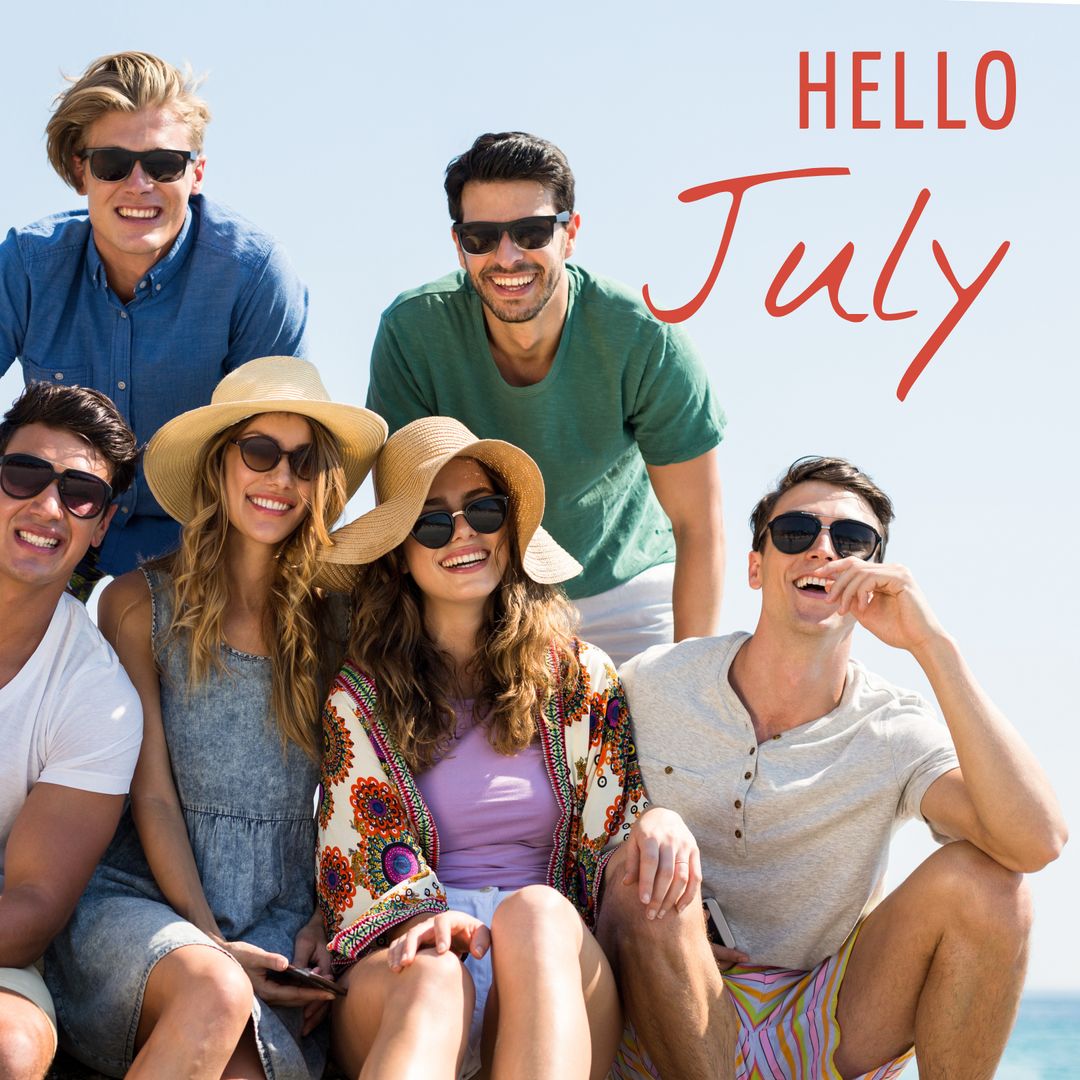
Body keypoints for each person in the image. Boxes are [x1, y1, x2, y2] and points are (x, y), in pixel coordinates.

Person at [599, 455, 1068, 1079]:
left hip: (823, 1022)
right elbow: (567, 824)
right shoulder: (653, 682)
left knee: (992, 886)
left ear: (873, 574)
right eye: (796, 532)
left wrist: (934, 647)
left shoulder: (893, 728)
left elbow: (1034, 842)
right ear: (755, 565)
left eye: (850, 540)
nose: (822, 549)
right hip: (669, 1017)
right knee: (641, 872)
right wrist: (645, 832)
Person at [314, 417, 697, 1079]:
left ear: (508, 528)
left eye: (483, 511)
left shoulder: (582, 677)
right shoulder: (360, 696)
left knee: (539, 914)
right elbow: (357, 863)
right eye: (433, 522)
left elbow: (616, 838)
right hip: (410, 963)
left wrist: (658, 819)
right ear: (400, 552)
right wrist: (429, 924)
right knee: (435, 975)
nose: (463, 533)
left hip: (550, 972)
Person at [45, 357, 386, 1078]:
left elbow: (348, 799)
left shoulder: (340, 622)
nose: (280, 479)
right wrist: (208, 937)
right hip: (146, 900)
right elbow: (154, 795)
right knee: (214, 989)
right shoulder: (137, 603)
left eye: (304, 461)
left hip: (282, 912)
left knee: (244, 1068)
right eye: (259, 452)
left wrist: (324, 921)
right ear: (219, 467)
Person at [367, 131, 726, 665]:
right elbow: (405, 513)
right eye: (481, 237)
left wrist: (691, 675)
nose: (507, 257)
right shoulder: (413, 331)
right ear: (458, 243)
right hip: (484, 591)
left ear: (570, 233)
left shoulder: (646, 340)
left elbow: (699, 525)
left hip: (624, 590)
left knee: (662, 740)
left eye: (531, 231)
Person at [0, 51, 310, 592]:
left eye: (163, 164)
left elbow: (281, 460)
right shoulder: (26, 265)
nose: (138, 184)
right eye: (112, 164)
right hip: (54, 530)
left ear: (196, 174)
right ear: (80, 170)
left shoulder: (254, 276)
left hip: (201, 549)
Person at [0, 382, 142, 1080]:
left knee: (13, 1049)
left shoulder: (99, 697)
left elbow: (32, 908)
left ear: (102, 525)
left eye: (80, 493)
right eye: (24, 474)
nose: (47, 505)